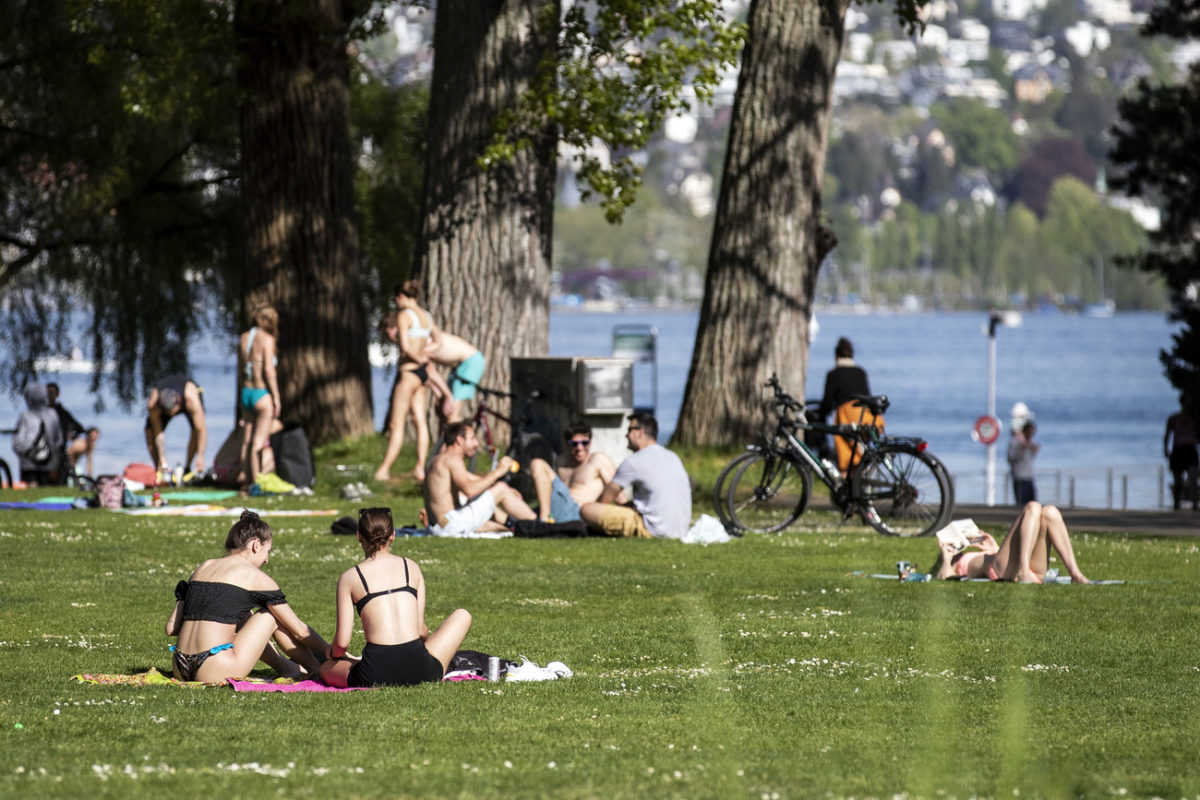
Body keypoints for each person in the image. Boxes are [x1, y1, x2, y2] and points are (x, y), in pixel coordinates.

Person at [164, 510, 331, 682]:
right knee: (270, 615)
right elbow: (300, 631)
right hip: (214, 669)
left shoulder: (204, 566)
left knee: (244, 615)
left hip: (180, 667)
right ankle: (317, 670)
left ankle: (288, 668)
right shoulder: (253, 576)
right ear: (256, 545)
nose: (266, 560)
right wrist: (333, 651)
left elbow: (171, 629)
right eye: (267, 551)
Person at [320, 507, 471, 688]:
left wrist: (331, 654)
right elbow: (421, 630)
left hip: (374, 673)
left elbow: (342, 644)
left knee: (326, 668)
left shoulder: (350, 577)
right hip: (421, 671)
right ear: (392, 535)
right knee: (463, 615)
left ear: (359, 536)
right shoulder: (411, 567)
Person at [579, 413, 692, 539]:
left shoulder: (634, 461)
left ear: (640, 432)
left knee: (587, 509)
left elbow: (604, 501)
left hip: (653, 530)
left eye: (629, 430)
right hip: (680, 529)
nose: (626, 435)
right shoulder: (672, 456)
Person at [423, 421, 538, 536]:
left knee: (500, 526)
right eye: (472, 438)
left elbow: (474, 480)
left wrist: (506, 489)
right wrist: (498, 472)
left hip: (441, 526)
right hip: (451, 524)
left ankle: (516, 527)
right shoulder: (453, 459)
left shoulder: (439, 459)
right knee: (501, 488)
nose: (476, 443)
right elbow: (470, 490)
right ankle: (538, 523)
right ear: (460, 440)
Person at [932, 501, 1089, 584]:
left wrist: (993, 547)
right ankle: (1023, 571)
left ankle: (1075, 574)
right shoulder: (953, 565)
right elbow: (945, 578)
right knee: (1032, 507)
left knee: (1050, 512)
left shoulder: (971, 553)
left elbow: (1004, 556)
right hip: (1002, 570)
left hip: (1024, 569)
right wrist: (946, 559)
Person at [375, 281, 439, 482]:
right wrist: (426, 354)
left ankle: (384, 470)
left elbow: (404, 347)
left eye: (396, 299)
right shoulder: (426, 316)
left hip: (409, 372)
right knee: (420, 421)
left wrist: (418, 357)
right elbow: (438, 341)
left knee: (396, 423)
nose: (396, 303)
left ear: (401, 297)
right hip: (421, 375)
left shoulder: (404, 316)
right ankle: (420, 468)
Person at [528, 420, 616, 522]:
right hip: (556, 510)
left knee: (537, 463)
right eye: (574, 443)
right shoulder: (560, 462)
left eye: (585, 443)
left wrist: (628, 509)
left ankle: (544, 521)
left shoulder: (598, 460)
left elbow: (617, 490)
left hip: (577, 513)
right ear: (567, 444)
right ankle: (540, 520)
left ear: (590, 442)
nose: (580, 448)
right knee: (512, 498)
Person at [236, 304, 282, 490]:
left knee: (246, 441)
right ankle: (256, 485)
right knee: (258, 443)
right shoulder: (267, 339)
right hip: (261, 394)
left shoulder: (243, 338)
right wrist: (276, 397)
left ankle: (247, 482)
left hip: (246, 393)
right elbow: (269, 370)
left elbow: (240, 371)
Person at [820, 337, 880, 474]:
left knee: (845, 456)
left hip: (846, 418)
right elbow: (867, 396)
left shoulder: (833, 374)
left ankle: (846, 477)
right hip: (865, 417)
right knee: (861, 451)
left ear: (836, 356)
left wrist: (820, 418)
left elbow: (827, 403)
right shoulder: (861, 372)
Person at [145, 374, 208, 476]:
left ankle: (187, 467)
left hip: (186, 395)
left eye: (173, 411)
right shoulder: (153, 404)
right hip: (164, 401)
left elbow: (202, 430)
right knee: (149, 430)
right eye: (169, 412)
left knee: (196, 428)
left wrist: (200, 456)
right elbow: (158, 432)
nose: (172, 414)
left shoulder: (191, 398)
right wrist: (162, 460)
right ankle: (159, 468)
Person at [423, 328, 484, 423]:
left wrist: (447, 396)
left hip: (471, 362)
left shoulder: (416, 340)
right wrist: (439, 394)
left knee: (452, 413)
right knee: (443, 412)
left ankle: (459, 432)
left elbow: (430, 371)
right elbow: (425, 371)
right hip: (459, 366)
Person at [12, 382, 65, 487]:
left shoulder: (25, 415)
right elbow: (59, 439)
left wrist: (22, 452)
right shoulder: (52, 414)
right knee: (45, 487)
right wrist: (51, 452)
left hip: (28, 462)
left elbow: (19, 441)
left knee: (30, 487)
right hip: (47, 461)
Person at [46, 382, 99, 480]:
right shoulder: (44, 411)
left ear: (57, 394)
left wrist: (70, 433)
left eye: (52, 393)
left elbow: (78, 427)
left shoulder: (62, 412)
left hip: (59, 447)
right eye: (48, 393)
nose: (49, 395)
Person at [1164, 395, 1199, 511]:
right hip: (1178, 450)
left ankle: (1195, 505)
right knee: (1178, 481)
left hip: (1191, 450)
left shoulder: (1195, 419)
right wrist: (1166, 449)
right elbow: (1167, 435)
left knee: (1193, 478)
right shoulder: (1174, 419)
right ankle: (1176, 505)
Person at [1007, 402, 1039, 506]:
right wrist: (1022, 449)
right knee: (1022, 504)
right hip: (1020, 477)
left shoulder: (1028, 442)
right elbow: (1011, 457)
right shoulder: (1015, 441)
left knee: (1032, 503)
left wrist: (1032, 449)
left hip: (1029, 476)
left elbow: (1030, 458)